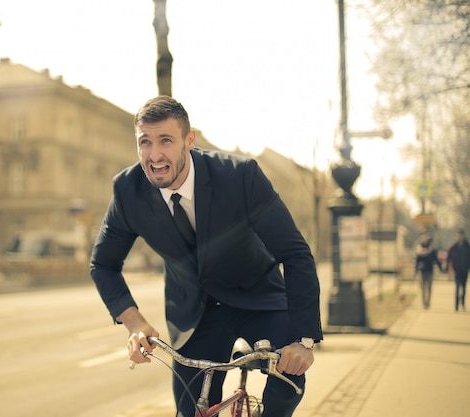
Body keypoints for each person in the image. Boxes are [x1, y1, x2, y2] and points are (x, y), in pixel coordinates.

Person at [90, 96, 322, 417]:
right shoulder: (129, 191)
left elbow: (295, 254)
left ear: (189, 140)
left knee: (287, 381)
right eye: (145, 142)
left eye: (166, 141)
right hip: (194, 315)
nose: (154, 155)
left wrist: (303, 340)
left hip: (258, 298)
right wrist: (134, 322)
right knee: (191, 411)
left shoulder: (241, 176)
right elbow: (103, 264)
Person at [414, 233, 444, 309]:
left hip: (430, 271)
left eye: (425, 239)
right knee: (423, 288)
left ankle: (428, 303)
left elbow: (436, 260)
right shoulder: (419, 250)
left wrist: (441, 268)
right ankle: (424, 303)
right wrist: (415, 271)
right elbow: (417, 262)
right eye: (423, 239)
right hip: (422, 271)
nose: (424, 241)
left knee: (429, 288)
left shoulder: (432, 249)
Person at [446, 229, 470, 311]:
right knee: (457, 287)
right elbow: (449, 257)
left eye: (461, 235)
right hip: (457, 270)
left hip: (465, 269)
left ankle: (462, 304)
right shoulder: (454, 247)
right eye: (459, 235)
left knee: (463, 287)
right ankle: (456, 305)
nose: (460, 237)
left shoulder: (467, 246)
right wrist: (447, 267)